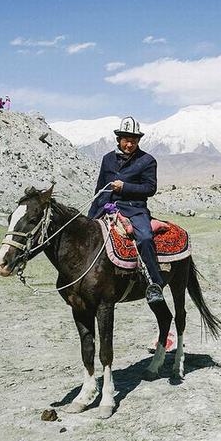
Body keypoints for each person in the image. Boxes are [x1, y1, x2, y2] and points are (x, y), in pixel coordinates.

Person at [88, 116, 166, 305]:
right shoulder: (107, 159)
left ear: (138, 140)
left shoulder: (147, 160)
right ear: (119, 139)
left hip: (134, 209)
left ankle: (154, 284)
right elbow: (100, 188)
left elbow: (150, 188)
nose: (129, 144)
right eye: (126, 139)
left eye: (133, 140)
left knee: (146, 238)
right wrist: (91, 214)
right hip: (106, 206)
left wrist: (124, 187)